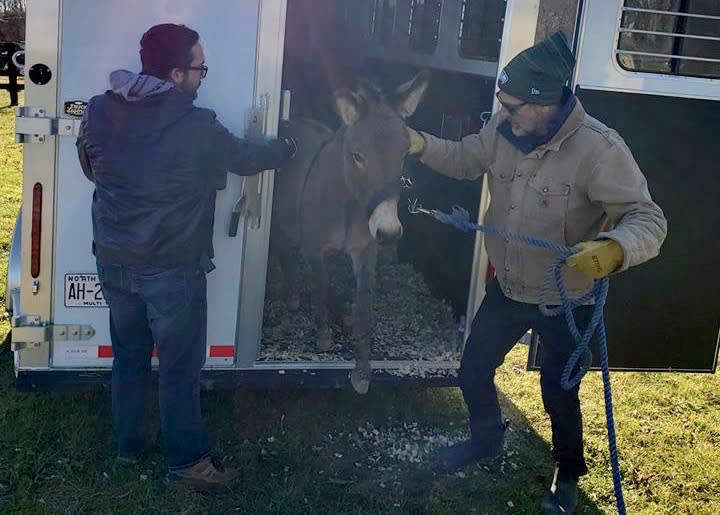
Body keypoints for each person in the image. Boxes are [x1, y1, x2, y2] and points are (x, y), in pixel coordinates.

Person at [406, 32, 666, 513]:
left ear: (546, 102)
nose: (502, 114)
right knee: (472, 372)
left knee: (559, 393)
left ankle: (567, 475)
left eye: (512, 105)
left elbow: (648, 219)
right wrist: (420, 144)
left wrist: (613, 249)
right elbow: (465, 159)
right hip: (507, 288)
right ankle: (486, 440)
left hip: (568, 299)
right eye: (500, 103)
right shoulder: (505, 131)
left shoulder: (601, 149)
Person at [76, 23, 295, 491]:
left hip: (113, 259)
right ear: (176, 73)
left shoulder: (97, 110)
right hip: (172, 269)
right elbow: (245, 158)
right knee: (178, 370)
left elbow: (91, 167)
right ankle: (188, 464)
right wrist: (288, 147)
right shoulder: (196, 125)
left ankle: (129, 448)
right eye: (200, 68)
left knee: (129, 358)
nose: (203, 77)